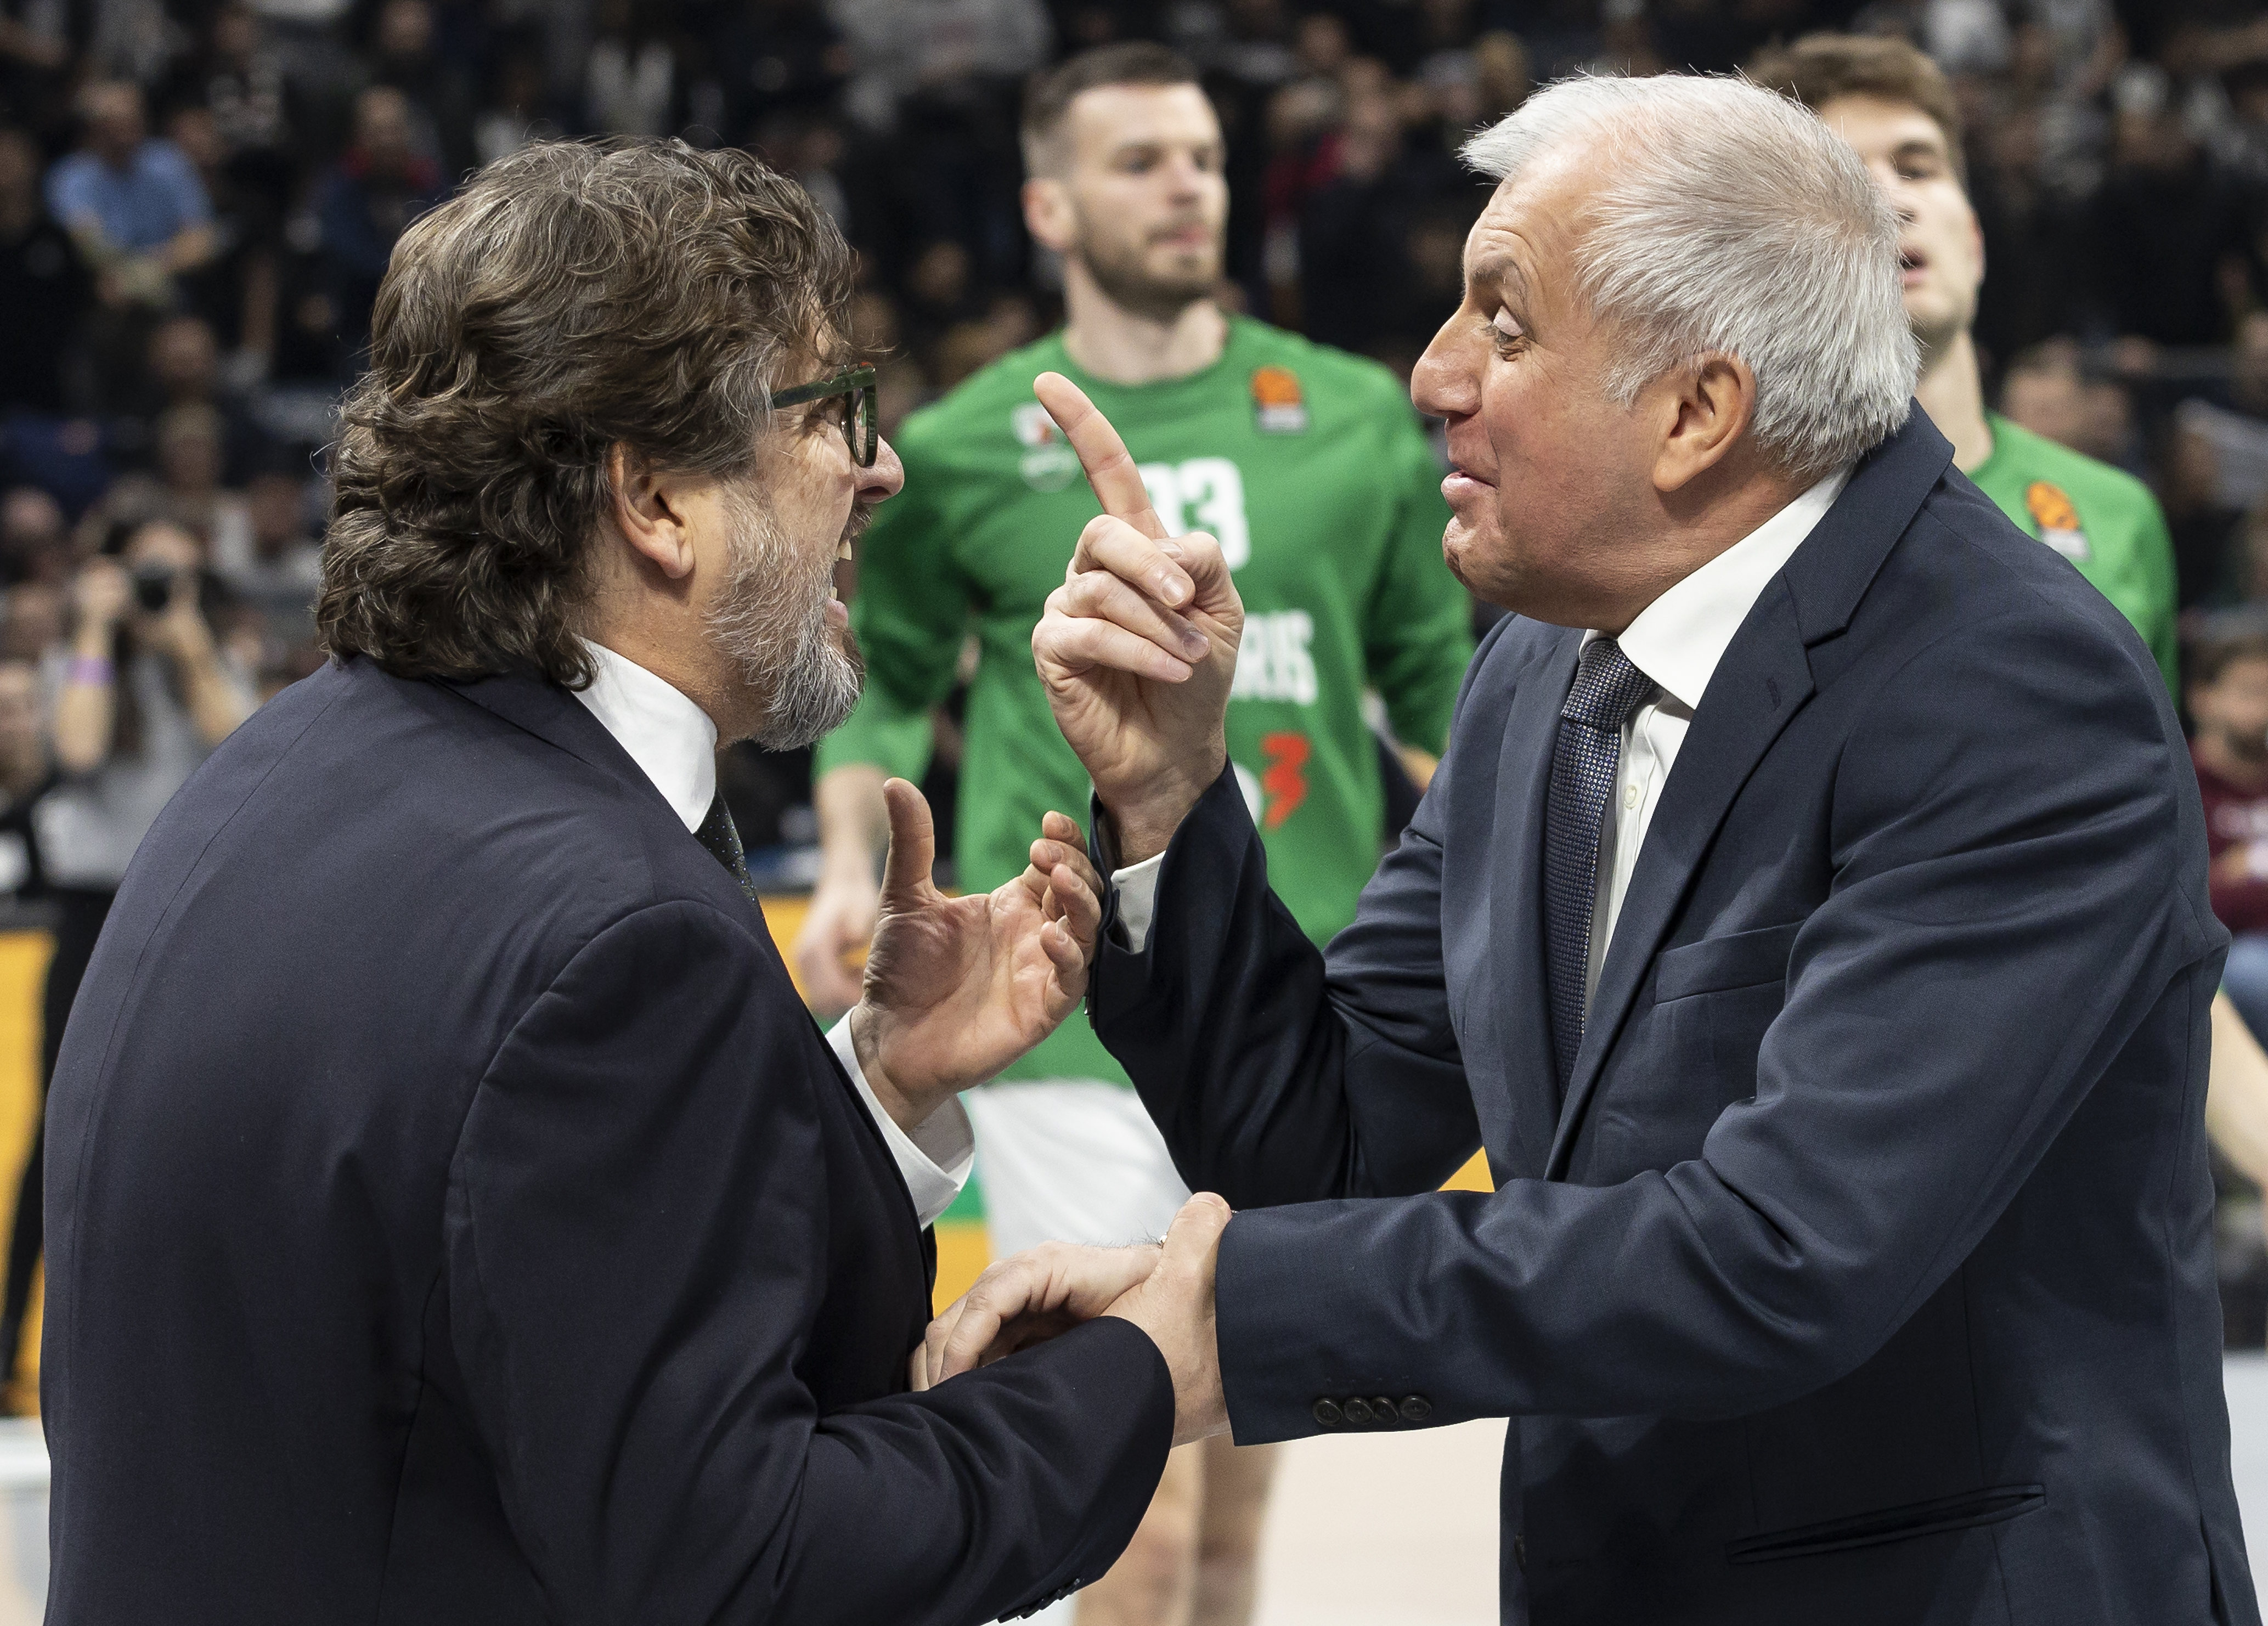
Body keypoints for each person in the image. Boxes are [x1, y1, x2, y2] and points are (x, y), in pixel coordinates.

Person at [1000, 72, 2254, 1623]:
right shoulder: (1542, 665)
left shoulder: (2005, 689)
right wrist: (1171, 789)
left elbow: (1784, 1249)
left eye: (1502, 323)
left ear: (1692, 412)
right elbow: (1316, 1145)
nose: (1430, 373)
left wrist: (1226, 1316)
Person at [39, 139, 1221, 1624]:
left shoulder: (281, 770)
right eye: (831, 411)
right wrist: (1134, 1377)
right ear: (655, 496)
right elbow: (744, 1567)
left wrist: (874, 1086)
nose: (881, 466)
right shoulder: (618, 933)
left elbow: (515, 1290)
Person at [797, 42, 1473, 1626]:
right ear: (1046, 203)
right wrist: (842, 861)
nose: (1187, 186)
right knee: (1141, 1519)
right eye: (1139, 161)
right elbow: (880, 694)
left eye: (1204, 157)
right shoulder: (961, 441)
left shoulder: (1362, 417)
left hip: (1297, 1013)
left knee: (1233, 1518)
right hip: (1074, 1013)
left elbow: (1443, 687)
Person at [1752, 33, 2180, 695]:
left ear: (1974, 243)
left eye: (1917, 167)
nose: (1890, 203)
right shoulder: (1729, 527)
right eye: (1841, 178)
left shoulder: (2121, 513)